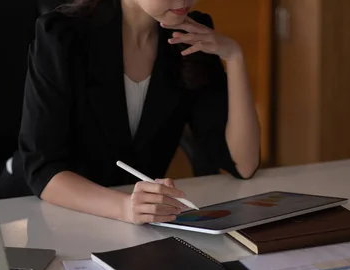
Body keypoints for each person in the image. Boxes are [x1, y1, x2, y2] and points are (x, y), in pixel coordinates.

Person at [16, 0, 261, 224]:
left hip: (136, 228)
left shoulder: (190, 36)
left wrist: (234, 57)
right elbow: (43, 170)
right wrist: (124, 207)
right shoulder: (61, 34)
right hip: (44, 218)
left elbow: (243, 164)